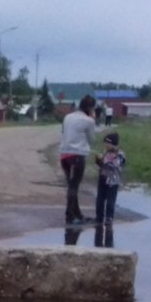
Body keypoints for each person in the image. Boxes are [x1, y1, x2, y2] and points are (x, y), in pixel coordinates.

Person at [59, 95, 96, 225]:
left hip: (64, 155)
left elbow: (63, 132)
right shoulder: (88, 121)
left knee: (71, 186)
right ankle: (70, 216)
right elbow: (92, 140)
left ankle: (77, 214)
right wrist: (93, 120)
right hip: (77, 156)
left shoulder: (68, 117)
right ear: (91, 108)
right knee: (74, 187)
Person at [94, 131, 126, 226]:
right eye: (105, 143)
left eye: (107, 143)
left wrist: (105, 159)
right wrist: (98, 160)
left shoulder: (120, 154)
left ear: (113, 144)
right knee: (100, 198)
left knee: (110, 200)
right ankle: (99, 217)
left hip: (113, 180)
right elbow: (102, 165)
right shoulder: (105, 152)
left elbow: (116, 164)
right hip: (103, 177)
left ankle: (109, 217)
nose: (105, 145)